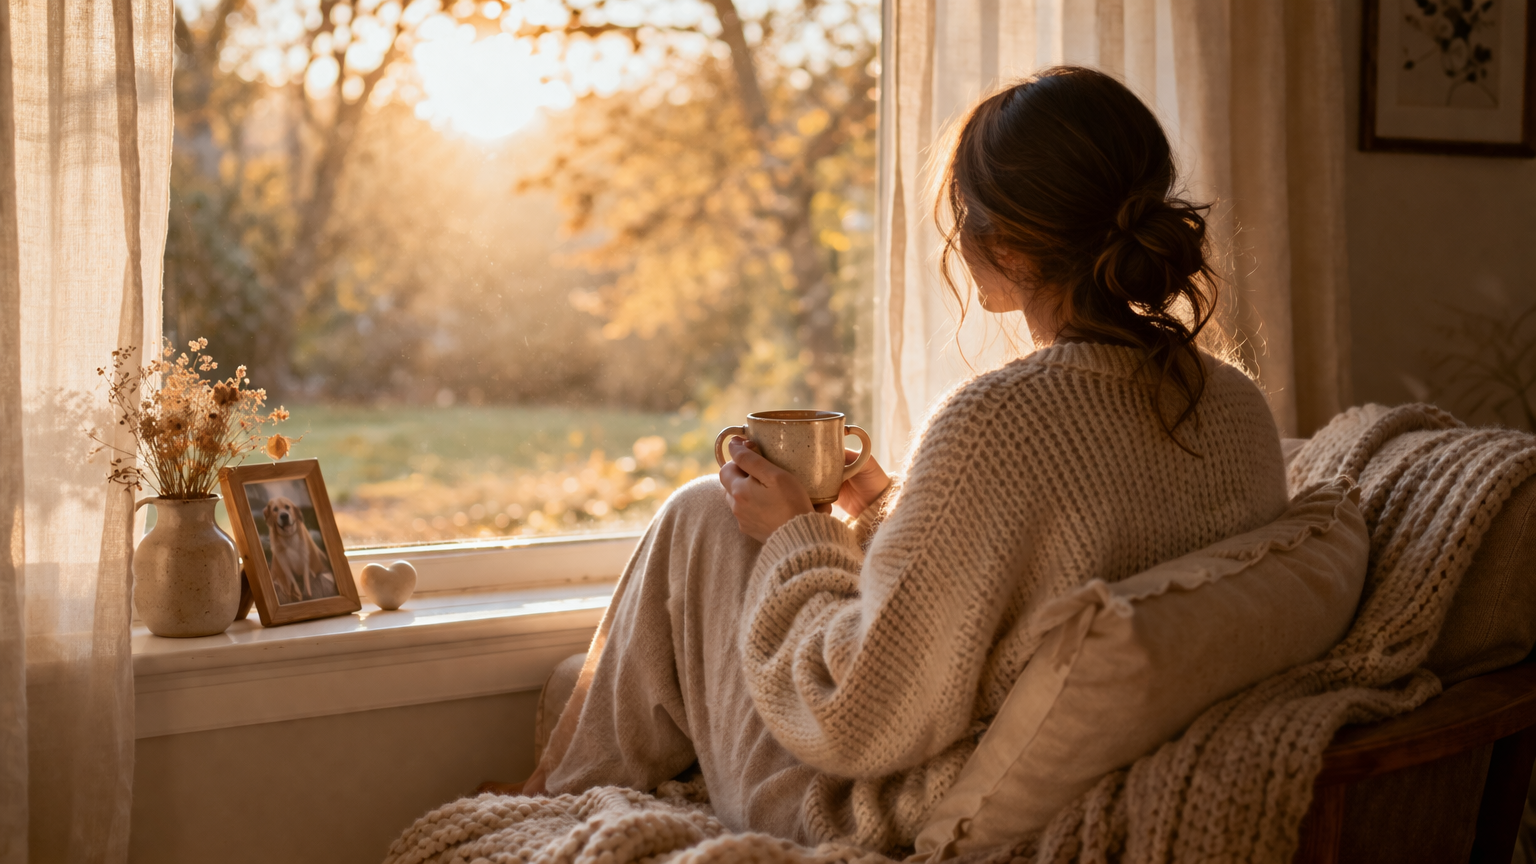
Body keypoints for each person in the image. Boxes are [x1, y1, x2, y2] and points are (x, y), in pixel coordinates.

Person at [518, 66, 1288, 855]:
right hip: (1064, 765)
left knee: (706, 512)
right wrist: (888, 507)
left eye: (963, 216)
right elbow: (1044, 574)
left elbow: (855, 720)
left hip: (867, 806)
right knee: (718, 538)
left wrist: (797, 539)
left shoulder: (1000, 420)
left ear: (1008, 244)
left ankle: (547, 803)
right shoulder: (1234, 406)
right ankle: (567, 785)